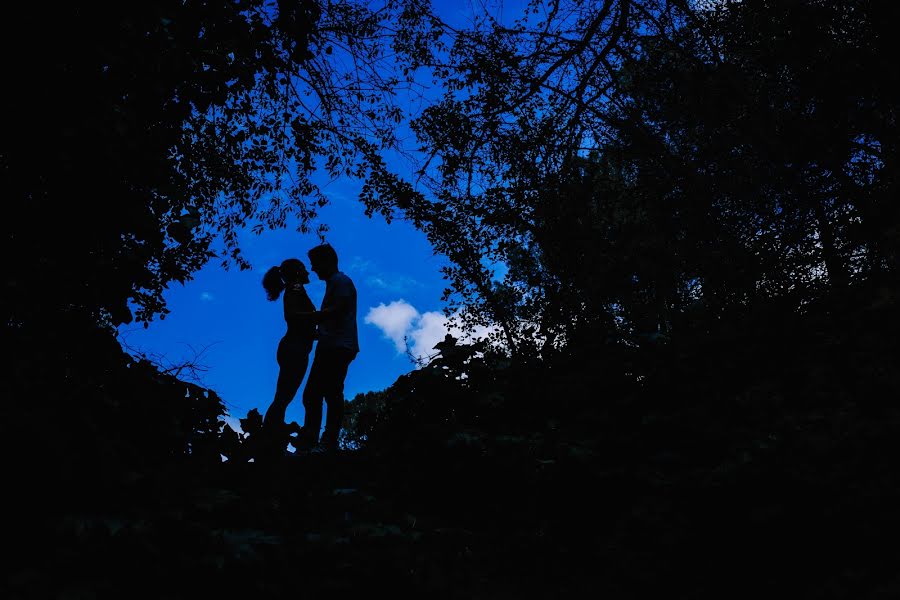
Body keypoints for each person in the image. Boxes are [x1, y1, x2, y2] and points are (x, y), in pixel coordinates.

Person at [296, 243, 359, 453]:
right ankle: (318, 440)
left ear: (326, 262)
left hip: (337, 346)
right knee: (323, 393)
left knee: (320, 394)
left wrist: (307, 318)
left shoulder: (341, 281)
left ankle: (321, 442)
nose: (313, 269)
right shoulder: (336, 282)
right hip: (334, 344)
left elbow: (337, 311)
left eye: (315, 264)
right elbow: (334, 316)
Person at [261, 258, 317, 453]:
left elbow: (302, 322)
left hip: (294, 347)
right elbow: (294, 318)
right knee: (283, 397)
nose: (308, 272)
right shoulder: (296, 287)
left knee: (283, 396)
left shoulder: (296, 288)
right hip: (295, 348)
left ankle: (271, 436)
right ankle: (268, 439)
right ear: (297, 272)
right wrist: (321, 316)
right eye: (304, 268)